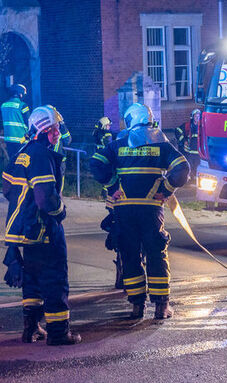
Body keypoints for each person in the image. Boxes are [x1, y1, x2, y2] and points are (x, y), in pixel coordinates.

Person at [90, 103, 189, 320]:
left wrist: (113, 186)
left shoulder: (118, 144)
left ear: (131, 120)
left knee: (130, 255)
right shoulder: (162, 144)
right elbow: (183, 168)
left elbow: (96, 164)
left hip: (124, 210)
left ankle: (137, 306)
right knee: (156, 253)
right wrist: (166, 190)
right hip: (151, 210)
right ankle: (162, 307)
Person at [1, 105, 81, 346]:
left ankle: (31, 328)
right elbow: (45, 196)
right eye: (55, 129)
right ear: (45, 130)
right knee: (55, 279)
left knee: (33, 279)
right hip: (45, 229)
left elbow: (7, 190)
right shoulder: (42, 156)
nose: (58, 134)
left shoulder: (22, 153)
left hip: (24, 231)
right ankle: (58, 333)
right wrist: (60, 212)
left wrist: (25, 208)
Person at [91, 116, 124, 289]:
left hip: (113, 193)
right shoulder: (111, 142)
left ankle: (121, 274)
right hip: (118, 194)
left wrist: (110, 185)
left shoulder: (106, 139)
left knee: (118, 231)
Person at [1, 84, 30, 160]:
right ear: (20, 94)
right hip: (21, 139)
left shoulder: (4, 105)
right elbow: (29, 122)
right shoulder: (23, 106)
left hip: (8, 139)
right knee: (22, 163)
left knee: (13, 162)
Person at [174, 109, 201, 179]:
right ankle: (188, 178)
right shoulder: (187, 125)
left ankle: (195, 178)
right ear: (192, 117)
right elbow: (177, 131)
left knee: (198, 166)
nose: (197, 118)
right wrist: (184, 140)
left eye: (198, 117)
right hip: (189, 151)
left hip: (199, 152)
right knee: (189, 165)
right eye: (196, 116)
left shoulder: (202, 126)